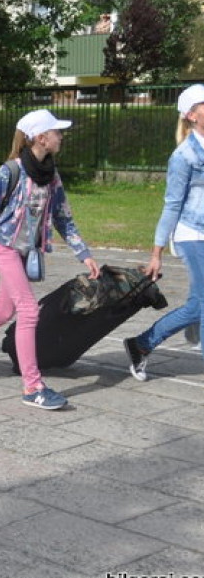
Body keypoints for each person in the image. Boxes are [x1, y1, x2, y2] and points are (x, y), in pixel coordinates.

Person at [0, 109, 100, 410]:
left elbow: (63, 218)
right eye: (57, 132)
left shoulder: (51, 174)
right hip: (3, 246)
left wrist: (84, 254)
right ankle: (33, 386)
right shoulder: (10, 172)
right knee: (29, 310)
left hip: (25, 251)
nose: (61, 136)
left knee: (4, 311)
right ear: (41, 137)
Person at [124, 84, 204, 382]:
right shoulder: (183, 156)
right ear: (192, 115)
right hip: (191, 235)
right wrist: (156, 253)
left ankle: (142, 344)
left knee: (198, 304)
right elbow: (171, 205)